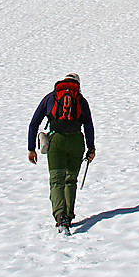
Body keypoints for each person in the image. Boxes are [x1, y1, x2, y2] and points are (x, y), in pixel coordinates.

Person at [28, 72, 95, 231]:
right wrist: (91, 148)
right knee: (70, 180)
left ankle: (60, 215)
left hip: (56, 141)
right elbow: (88, 125)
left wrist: (31, 148)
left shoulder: (51, 97)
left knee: (56, 180)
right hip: (77, 141)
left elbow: (34, 123)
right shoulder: (80, 100)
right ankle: (69, 215)